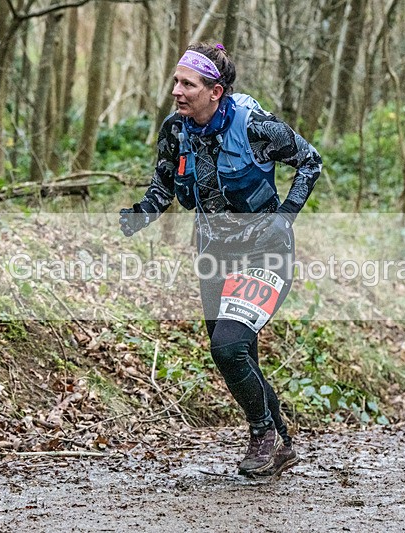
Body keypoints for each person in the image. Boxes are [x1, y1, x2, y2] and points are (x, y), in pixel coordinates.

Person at [119, 42, 322, 477]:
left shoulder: (256, 127)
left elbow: (311, 162)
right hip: (213, 254)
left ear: (215, 92)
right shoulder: (176, 130)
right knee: (236, 352)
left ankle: (262, 434)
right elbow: (164, 186)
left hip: (265, 253)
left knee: (227, 345)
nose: (176, 91)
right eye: (176, 81)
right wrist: (141, 214)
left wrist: (286, 217)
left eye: (187, 84)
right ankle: (283, 443)